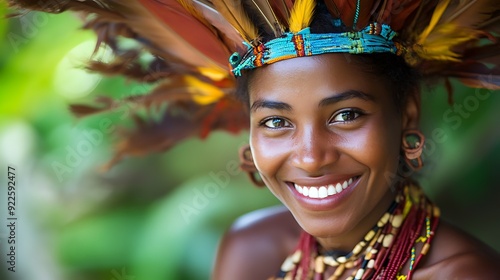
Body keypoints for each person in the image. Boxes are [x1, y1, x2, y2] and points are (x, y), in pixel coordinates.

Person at [7, 0, 500, 279]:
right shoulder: (251, 251)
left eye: (346, 114)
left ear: (406, 112)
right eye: (276, 122)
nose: (310, 156)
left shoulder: (464, 275)